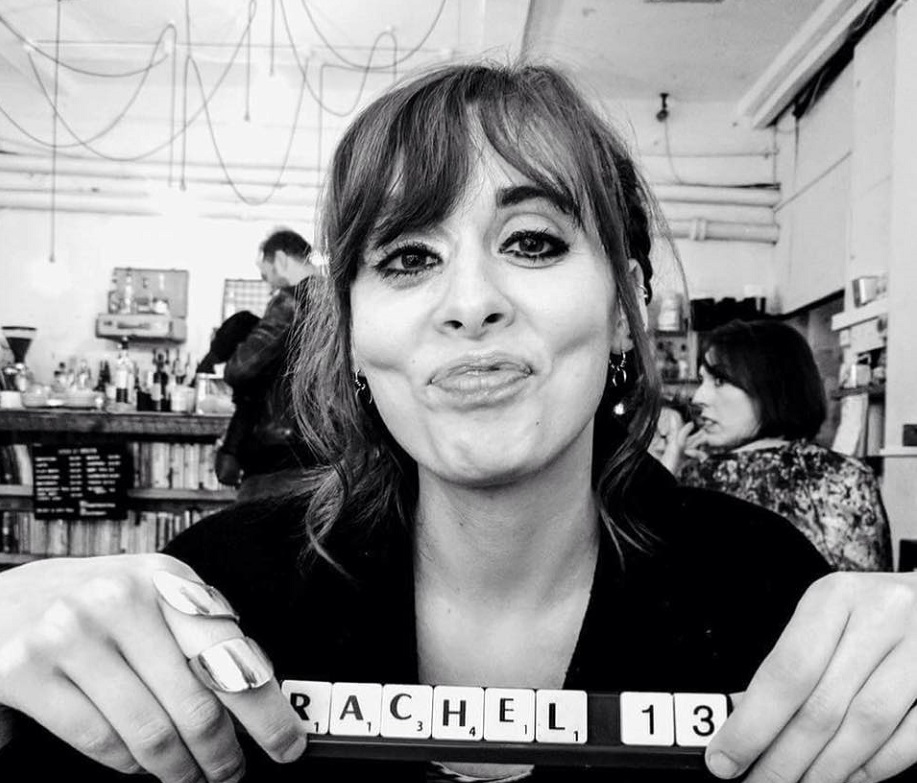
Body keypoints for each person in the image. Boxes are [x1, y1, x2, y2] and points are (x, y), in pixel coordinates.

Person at [1, 62, 917, 783]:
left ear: (625, 304)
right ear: (352, 333)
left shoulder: (767, 597)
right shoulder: (212, 602)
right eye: (406, 256)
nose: (469, 302)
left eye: (532, 242)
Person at [655, 319, 893, 572]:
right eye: (702, 381)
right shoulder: (846, 477)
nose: (699, 397)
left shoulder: (694, 480)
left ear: (771, 385)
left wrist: (664, 481)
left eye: (719, 381)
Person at [219, 228, 320, 500]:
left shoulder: (289, 301)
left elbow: (240, 369)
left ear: (281, 260)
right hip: (329, 458)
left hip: (279, 461)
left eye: (267, 275)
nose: (270, 285)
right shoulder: (340, 300)